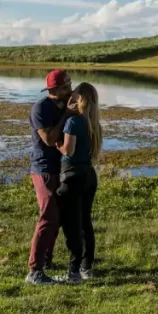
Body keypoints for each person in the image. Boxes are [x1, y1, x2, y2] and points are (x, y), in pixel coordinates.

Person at [25, 69, 73, 286]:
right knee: (47, 217)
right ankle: (34, 272)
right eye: (65, 87)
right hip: (44, 169)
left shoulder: (63, 105)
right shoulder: (40, 108)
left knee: (57, 218)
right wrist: (68, 115)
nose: (69, 89)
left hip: (59, 168)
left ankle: (46, 260)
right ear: (53, 90)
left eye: (70, 84)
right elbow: (49, 139)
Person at [55, 82, 103, 284]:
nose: (70, 93)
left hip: (72, 175)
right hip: (89, 175)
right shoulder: (94, 123)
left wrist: (58, 145)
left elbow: (69, 150)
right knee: (85, 222)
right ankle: (86, 267)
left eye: (74, 92)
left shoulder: (73, 122)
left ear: (79, 98)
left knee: (71, 225)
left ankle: (73, 272)